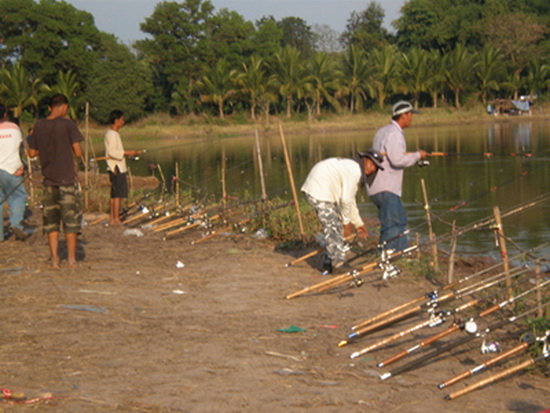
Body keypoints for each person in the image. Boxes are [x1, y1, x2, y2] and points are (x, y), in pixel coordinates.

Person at [301, 150, 384, 274]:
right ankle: (338, 264)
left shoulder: (353, 168)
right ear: (365, 159)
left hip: (322, 188)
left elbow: (350, 200)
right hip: (319, 188)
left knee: (334, 225)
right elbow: (345, 200)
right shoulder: (355, 170)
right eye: (371, 163)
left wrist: (358, 223)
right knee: (333, 226)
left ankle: (329, 261)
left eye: (375, 167)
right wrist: (346, 223)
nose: (372, 168)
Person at [28, 94, 84, 269]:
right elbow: (78, 152)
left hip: (48, 181)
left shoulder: (39, 125)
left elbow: (31, 153)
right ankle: (71, 259)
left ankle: (54, 259)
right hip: (66, 180)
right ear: (64, 107)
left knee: (51, 222)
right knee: (70, 221)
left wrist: (31, 138)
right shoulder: (68, 124)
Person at [367, 100, 427, 252]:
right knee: (392, 224)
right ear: (404, 116)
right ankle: (388, 256)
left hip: (376, 186)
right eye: (411, 114)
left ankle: (400, 253)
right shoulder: (394, 134)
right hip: (386, 187)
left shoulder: (383, 131)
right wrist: (417, 156)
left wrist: (414, 157)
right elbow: (397, 160)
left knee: (400, 219)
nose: (412, 118)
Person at [104, 110, 141, 226]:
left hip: (115, 167)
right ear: (116, 121)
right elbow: (112, 152)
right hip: (116, 168)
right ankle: (115, 219)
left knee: (115, 194)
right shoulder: (112, 135)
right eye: (121, 120)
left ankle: (113, 219)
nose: (123, 122)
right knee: (117, 194)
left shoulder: (111, 134)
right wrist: (128, 152)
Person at [0, 104, 28, 242]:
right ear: (5, 115)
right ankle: (16, 224)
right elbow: (20, 149)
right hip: (12, 169)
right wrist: (22, 165)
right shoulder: (14, 128)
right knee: (18, 197)